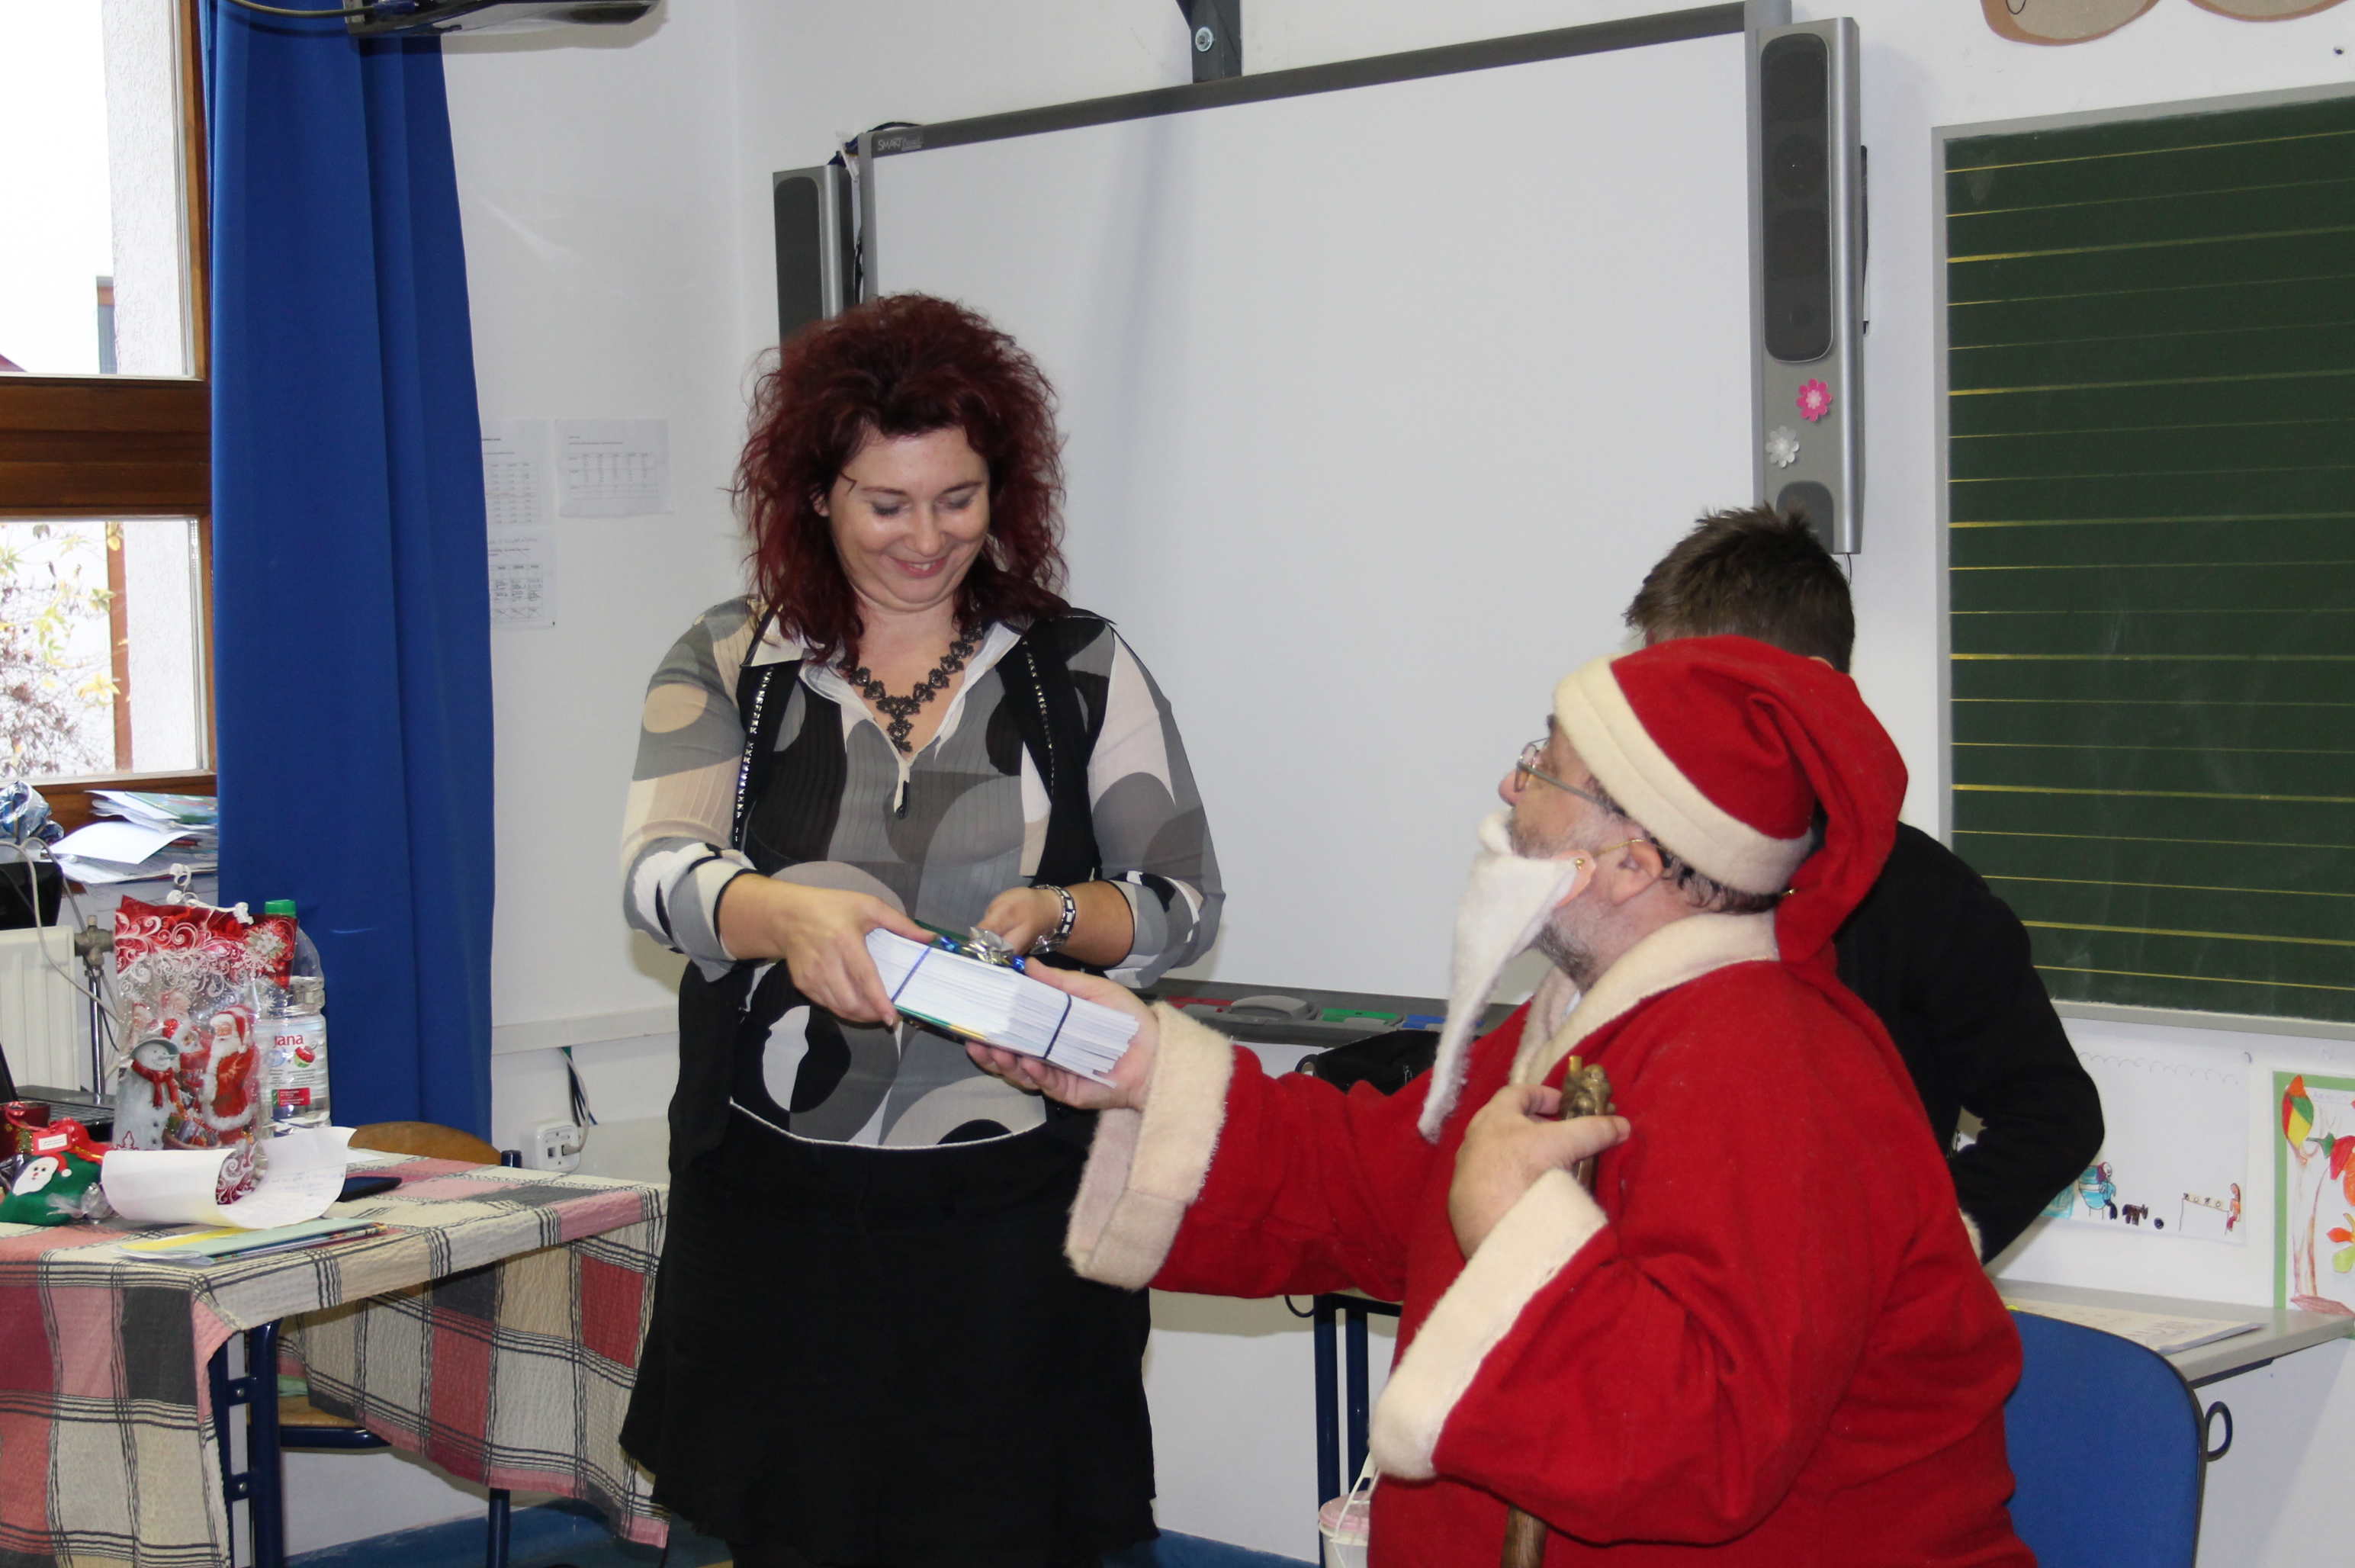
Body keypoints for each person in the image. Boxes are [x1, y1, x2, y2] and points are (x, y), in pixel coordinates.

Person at [978, 637, 2031, 1566]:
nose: (1509, 784)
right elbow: (1371, 1186)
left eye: (1543, 767)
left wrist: (1513, 1224)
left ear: (1631, 860)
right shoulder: (1593, 1017)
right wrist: (1143, 1066)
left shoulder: (1775, 1073)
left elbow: (1701, 1440)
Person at [618, 294, 1223, 1568]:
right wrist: (784, 913)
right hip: (775, 1217)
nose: (927, 538)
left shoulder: (1079, 667)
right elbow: (657, 872)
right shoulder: (729, 659)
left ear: (1002, 490)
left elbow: (1179, 903)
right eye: (885, 505)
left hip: (1017, 1223)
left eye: (958, 499)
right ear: (815, 495)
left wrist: (1060, 914)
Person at [1623, 506, 2103, 1259]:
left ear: (1800, 693)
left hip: (1836, 1313)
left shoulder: (1919, 897)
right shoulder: (1640, 870)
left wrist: (1911, 1252)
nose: (1660, 725)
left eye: (1689, 695)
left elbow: (2053, 1114)